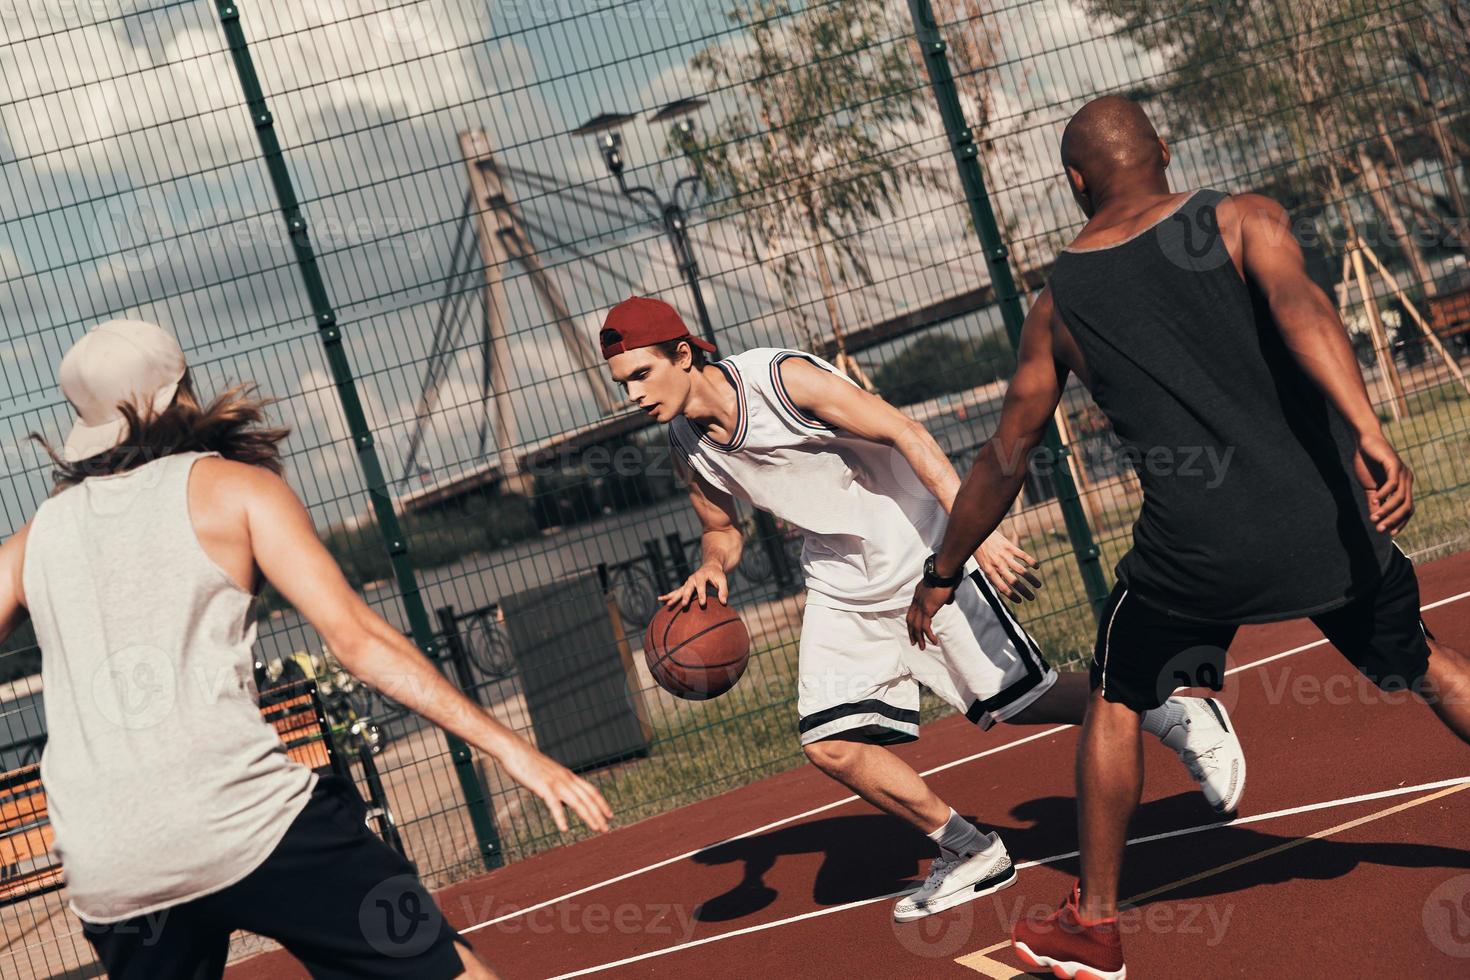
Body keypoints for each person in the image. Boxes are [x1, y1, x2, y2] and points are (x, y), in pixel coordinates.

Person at [907, 95, 1470, 979]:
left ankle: (1093, 924)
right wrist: (1367, 426)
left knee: (1119, 697)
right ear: (1166, 152)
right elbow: (1305, 307)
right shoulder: (1244, 218)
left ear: (1075, 183)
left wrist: (943, 569)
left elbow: (1005, 454)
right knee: (1428, 665)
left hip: (1193, 556)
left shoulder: (1058, 305)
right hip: (1323, 521)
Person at [599, 295, 1245, 923]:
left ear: (683, 354)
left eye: (639, 375)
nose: (632, 396)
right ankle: (971, 849)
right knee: (829, 743)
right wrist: (713, 565)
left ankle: (1171, 711)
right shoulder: (687, 443)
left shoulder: (780, 382)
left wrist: (977, 530)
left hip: (916, 543)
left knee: (1019, 699)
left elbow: (905, 432)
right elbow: (723, 528)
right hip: (838, 577)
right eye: (623, 384)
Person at [0, 319, 612, 979]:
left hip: (111, 862)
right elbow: (358, 642)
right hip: (250, 824)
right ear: (182, 390)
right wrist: (517, 751)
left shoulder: (32, 540)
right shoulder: (234, 488)